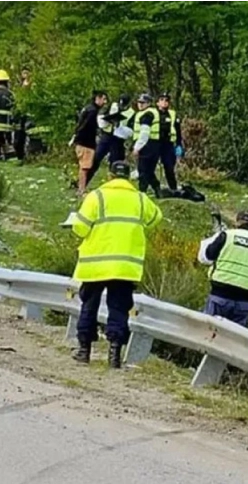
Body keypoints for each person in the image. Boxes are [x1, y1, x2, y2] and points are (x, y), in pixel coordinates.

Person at [70, 160, 163, 368]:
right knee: (119, 308)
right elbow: (156, 218)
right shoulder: (140, 199)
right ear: (129, 177)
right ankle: (114, 355)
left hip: (95, 265)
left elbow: (80, 228)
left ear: (110, 176)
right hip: (125, 266)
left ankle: (84, 351)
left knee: (89, 305)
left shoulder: (97, 196)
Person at [197, 210, 248, 327]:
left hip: (219, 296)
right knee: (233, 342)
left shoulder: (227, 235)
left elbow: (204, 258)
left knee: (208, 334)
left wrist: (211, 238)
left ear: (237, 222)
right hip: (244, 303)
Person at [88, 93, 134, 186]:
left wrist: (119, 126)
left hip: (118, 139)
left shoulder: (132, 113)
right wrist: (107, 121)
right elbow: (100, 117)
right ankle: (84, 181)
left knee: (116, 163)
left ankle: (114, 184)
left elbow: (131, 131)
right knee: (95, 159)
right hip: (106, 136)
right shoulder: (112, 106)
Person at [73, 90, 108, 196]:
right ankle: (81, 190)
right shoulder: (92, 111)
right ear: (97, 98)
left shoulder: (87, 108)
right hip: (86, 143)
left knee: (84, 166)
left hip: (82, 142)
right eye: (104, 99)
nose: (105, 102)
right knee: (85, 167)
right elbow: (85, 126)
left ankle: (81, 188)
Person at [130, 93, 163, 198]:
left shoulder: (147, 115)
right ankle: (157, 190)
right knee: (148, 170)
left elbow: (144, 133)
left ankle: (142, 192)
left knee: (143, 170)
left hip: (147, 145)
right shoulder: (149, 112)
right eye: (139, 102)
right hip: (153, 146)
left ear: (148, 103)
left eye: (143, 103)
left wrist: (137, 148)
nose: (140, 104)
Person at [156, 91, 184, 191]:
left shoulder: (172, 114)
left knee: (169, 167)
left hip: (168, 144)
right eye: (162, 100)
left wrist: (179, 144)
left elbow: (178, 130)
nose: (164, 102)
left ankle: (173, 188)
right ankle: (154, 187)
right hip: (155, 143)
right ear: (157, 102)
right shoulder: (154, 113)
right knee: (150, 167)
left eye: (167, 100)